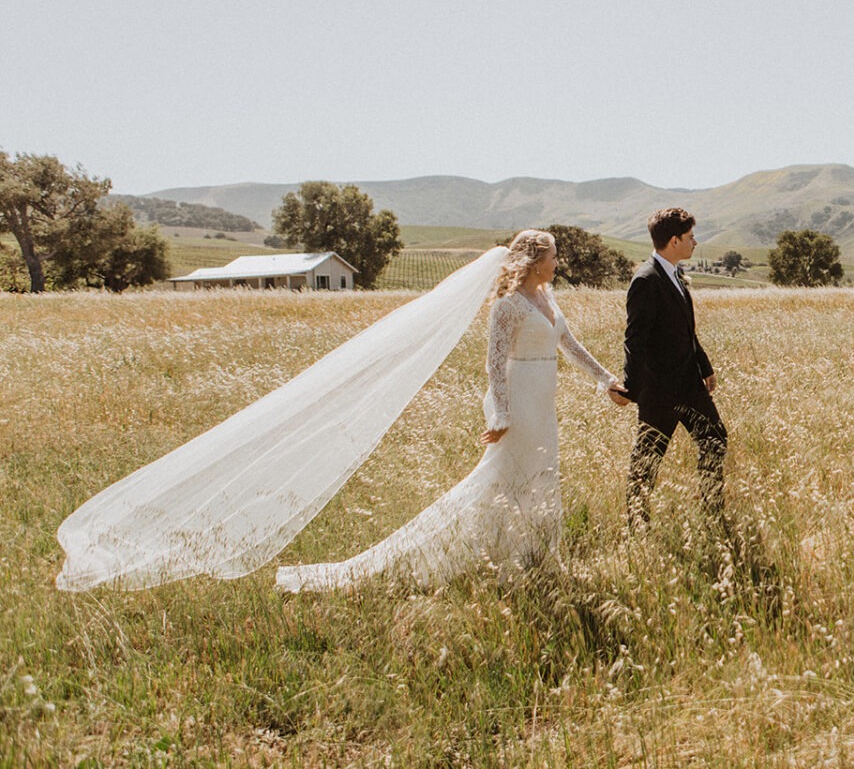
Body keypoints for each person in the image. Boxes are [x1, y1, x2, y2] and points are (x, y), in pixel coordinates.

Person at [275, 230, 626, 592]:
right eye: (553, 256)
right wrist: (502, 415)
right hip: (519, 405)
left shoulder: (547, 296)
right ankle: (460, 558)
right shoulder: (508, 305)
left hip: (543, 406)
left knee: (542, 476)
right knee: (500, 480)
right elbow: (494, 363)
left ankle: (535, 556)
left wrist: (606, 380)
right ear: (535, 262)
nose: (557, 262)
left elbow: (569, 344)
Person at [612, 207, 728, 531]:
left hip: (690, 385)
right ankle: (637, 523)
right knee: (647, 459)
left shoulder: (675, 274)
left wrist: (705, 366)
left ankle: (711, 511)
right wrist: (631, 389)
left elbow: (685, 329)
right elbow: (634, 339)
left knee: (715, 440)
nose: (695, 242)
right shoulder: (646, 280)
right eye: (691, 237)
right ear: (674, 240)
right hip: (659, 390)